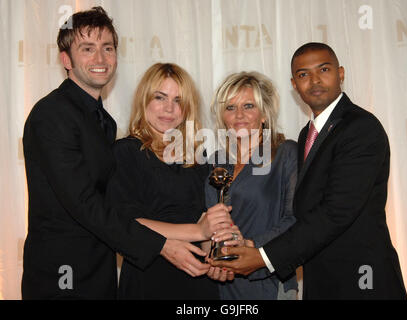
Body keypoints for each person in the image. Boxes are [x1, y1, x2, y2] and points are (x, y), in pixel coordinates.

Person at [21, 7, 217, 300]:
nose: (100, 59)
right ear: (66, 59)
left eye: (107, 48)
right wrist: (163, 244)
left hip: (101, 267)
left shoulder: (103, 122)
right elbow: (84, 204)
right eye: (87, 49)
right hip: (63, 271)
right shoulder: (52, 115)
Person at [211, 42, 407, 300]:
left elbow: (336, 212)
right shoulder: (308, 134)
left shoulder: (361, 128)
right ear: (295, 84)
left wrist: (263, 256)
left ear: (341, 73)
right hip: (321, 279)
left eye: (323, 69)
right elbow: (307, 210)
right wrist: (247, 246)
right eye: (303, 74)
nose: (314, 80)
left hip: (361, 280)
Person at [105, 62, 232, 299]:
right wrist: (197, 230)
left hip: (197, 280)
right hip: (149, 277)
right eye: (160, 97)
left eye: (178, 101)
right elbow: (125, 222)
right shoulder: (126, 151)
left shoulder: (198, 158)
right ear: (144, 100)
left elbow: (205, 221)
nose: (169, 109)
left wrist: (215, 257)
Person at [204, 71, 298, 300]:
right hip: (222, 281)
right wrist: (210, 257)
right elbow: (207, 221)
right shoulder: (214, 161)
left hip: (268, 278)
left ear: (264, 114)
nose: (239, 115)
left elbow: (295, 219)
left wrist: (250, 244)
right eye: (230, 108)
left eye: (248, 106)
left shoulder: (285, 153)